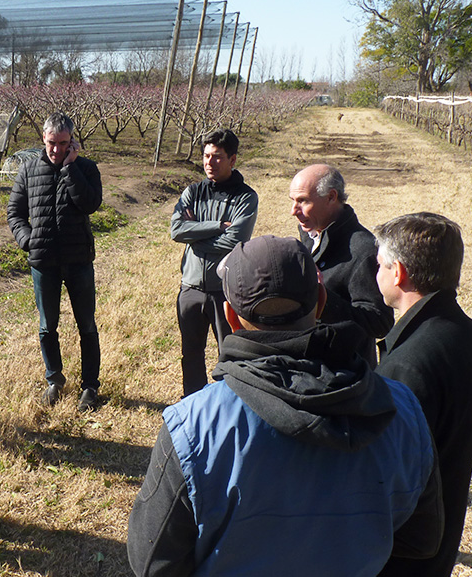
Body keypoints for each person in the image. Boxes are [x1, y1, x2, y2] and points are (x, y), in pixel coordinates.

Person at [127, 235, 443, 577]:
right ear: (321, 302)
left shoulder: (193, 426)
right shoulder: (402, 408)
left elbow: (152, 563)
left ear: (230, 317)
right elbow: (423, 540)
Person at [374, 212, 472, 577]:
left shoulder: (407, 366)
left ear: (398, 273)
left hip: (403, 553)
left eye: (379, 264)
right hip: (444, 535)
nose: (375, 272)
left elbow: (387, 477)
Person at [7, 112, 104, 411]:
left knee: (86, 324)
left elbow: (90, 203)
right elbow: (15, 212)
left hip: (78, 260)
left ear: (72, 141)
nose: (56, 150)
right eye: (51, 143)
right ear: (43, 139)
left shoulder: (86, 168)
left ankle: (90, 386)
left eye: (64, 143)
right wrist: (27, 240)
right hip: (43, 261)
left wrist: (70, 168)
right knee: (47, 326)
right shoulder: (28, 170)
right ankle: (54, 379)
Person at [171, 128, 258, 396]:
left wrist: (195, 235)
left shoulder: (246, 197)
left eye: (217, 157)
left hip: (226, 290)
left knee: (230, 353)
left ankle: (229, 403)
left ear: (232, 160)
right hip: (191, 289)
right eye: (206, 156)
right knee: (191, 354)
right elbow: (176, 230)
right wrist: (218, 226)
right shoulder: (193, 192)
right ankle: (194, 404)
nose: (210, 162)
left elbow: (234, 242)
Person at [289, 163, 392, 365]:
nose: (294, 211)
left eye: (303, 201)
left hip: (347, 374)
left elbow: (380, 322)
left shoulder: (363, 250)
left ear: (331, 197)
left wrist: (324, 300)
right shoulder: (310, 232)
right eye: (292, 201)